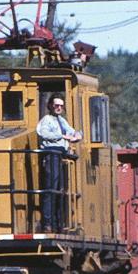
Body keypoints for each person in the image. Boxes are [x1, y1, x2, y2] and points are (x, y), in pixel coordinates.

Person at [36, 96, 82, 231]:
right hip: (51, 154)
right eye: (56, 105)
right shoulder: (46, 120)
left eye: (61, 106)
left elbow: (72, 131)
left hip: (61, 155)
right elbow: (43, 133)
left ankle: (58, 223)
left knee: (60, 190)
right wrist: (62, 136)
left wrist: (78, 135)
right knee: (51, 188)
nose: (59, 108)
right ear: (50, 105)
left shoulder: (61, 120)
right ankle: (47, 223)